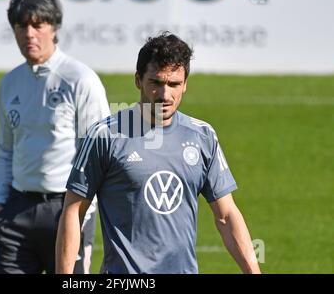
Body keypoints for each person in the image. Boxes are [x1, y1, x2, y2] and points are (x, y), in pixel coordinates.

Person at [56, 32, 261, 274]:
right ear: (138, 80)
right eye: (156, 83)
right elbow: (74, 210)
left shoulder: (202, 136)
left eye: (174, 84)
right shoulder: (104, 136)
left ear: (185, 84)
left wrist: (253, 272)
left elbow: (226, 215)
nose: (165, 95)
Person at [0, 0, 110, 274]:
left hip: (66, 209)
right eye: (21, 26)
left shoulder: (80, 79)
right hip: (16, 209)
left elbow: (98, 152)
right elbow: (4, 149)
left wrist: (83, 212)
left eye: (37, 25)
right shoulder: (9, 83)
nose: (29, 33)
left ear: (53, 28)